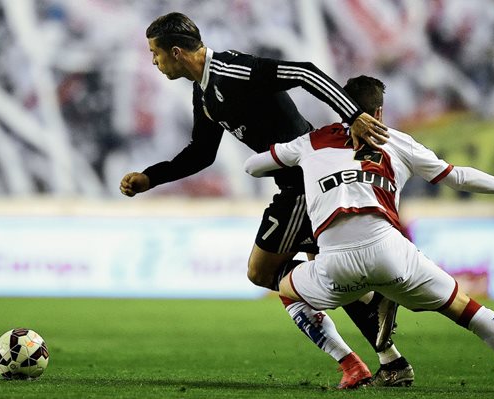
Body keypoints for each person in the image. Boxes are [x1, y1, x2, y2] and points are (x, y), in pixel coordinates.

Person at [119, 12, 412, 389]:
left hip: (303, 186)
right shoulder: (205, 92)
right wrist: (151, 177)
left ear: (176, 52)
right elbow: (202, 153)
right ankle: (389, 359)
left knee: (263, 272)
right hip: (304, 184)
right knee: (328, 271)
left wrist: (352, 115)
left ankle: (357, 345)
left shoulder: (231, 70)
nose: (154, 62)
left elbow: (305, 72)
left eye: (155, 53)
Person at [244, 75, 494, 393]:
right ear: (379, 113)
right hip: (390, 252)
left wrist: (295, 161)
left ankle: (349, 363)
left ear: (341, 106)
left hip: (336, 264)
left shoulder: (311, 142)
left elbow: (253, 167)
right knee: (467, 309)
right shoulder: (397, 141)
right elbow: (457, 177)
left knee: (284, 288)